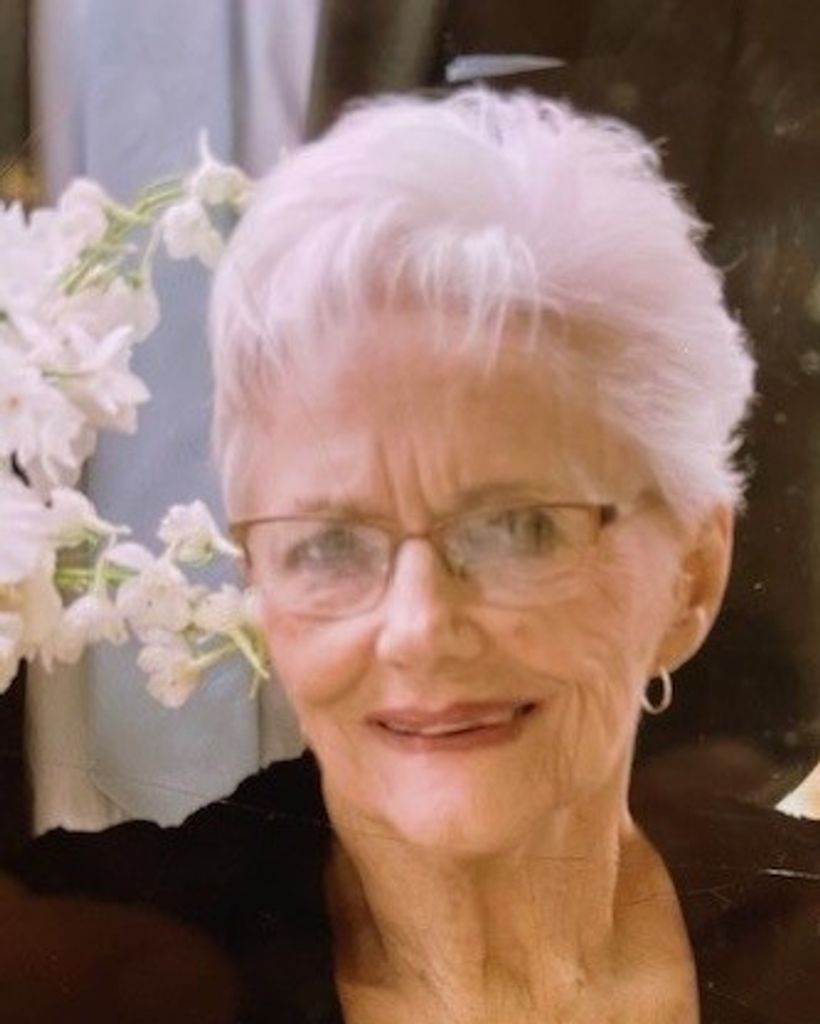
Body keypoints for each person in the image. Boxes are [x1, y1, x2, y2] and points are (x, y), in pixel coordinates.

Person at [11, 88, 820, 1023]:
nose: (419, 630)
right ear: (258, 584)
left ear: (692, 577)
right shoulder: (81, 972)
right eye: (329, 544)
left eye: (517, 529)